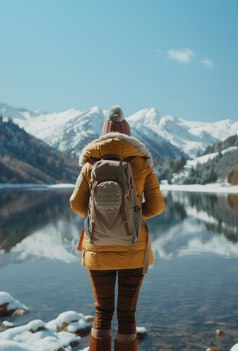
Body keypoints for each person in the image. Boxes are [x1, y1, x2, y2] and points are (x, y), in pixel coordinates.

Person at [70, 105, 165, 351]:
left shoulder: (91, 163)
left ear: (103, 134)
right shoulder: (141, 162)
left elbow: (76, 205)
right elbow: (156, 207)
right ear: (128, 134)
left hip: (97, 248)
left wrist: (97, 217)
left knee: (102, 312)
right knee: (127, 315)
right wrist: (133, 217)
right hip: (133, 248)